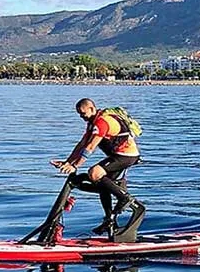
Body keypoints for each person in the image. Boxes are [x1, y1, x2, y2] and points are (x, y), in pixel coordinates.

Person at [50, 98, 145, 242]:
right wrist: (68, 162)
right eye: (79, 115)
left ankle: (125, 198)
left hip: (126, 156)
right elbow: (82, 144)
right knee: (101, 184)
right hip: (116, 156)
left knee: (94, 172)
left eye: (83, 113)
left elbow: (90, 148)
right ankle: (109, 220)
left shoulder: (102, 122)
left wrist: (75, 166)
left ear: (92, 109)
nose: (82, 117)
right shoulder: (91, 124)